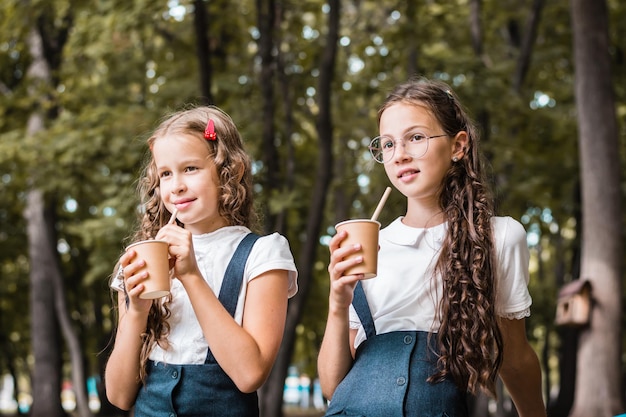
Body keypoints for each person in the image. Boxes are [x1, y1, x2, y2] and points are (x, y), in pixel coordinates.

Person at [317, 78, 546, 417]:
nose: (400, 155)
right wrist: (338, 304)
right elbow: (332, 387)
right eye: (389, 144)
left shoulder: (499, 238)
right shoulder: (369, 245)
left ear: (458, 146)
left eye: (416, 138)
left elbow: (514, 356)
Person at [105, 105, 298, 417]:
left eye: (190, 169)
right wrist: (137, 312)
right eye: (166, 173)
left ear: (229, 172)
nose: (176, 185)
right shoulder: (141, 259)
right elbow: (119, 395)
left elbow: (250, 375)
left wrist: (191, 276)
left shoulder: (262, 254)